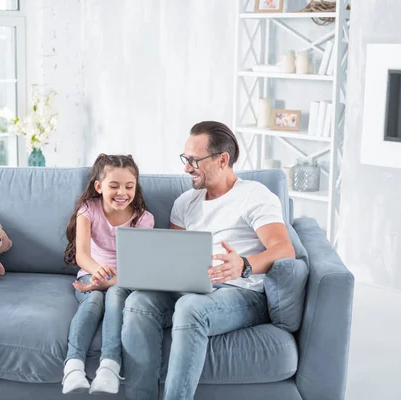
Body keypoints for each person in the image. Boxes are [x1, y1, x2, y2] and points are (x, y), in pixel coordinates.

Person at [121, 121, 296, 400]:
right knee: (138, 303)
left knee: (191, 308)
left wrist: (243, 264)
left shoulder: (254, 195)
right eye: (185, 159)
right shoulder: (185, 203)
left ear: (222, 159)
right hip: (192, 288)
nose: (186, 167)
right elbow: (172, 255)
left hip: (242, 293)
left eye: (194, 160)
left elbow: (284, 249)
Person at [62, 153, 154, 395]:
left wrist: (109, 281)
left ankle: (109, 368)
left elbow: (138, 268)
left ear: (136, 187)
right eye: (114, 186)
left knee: (114, 295)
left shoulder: (144, 219)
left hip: (123, 280)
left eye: (129, 186)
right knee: (92, 300)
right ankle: (73, 369)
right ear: (99, 186)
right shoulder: (88, 210)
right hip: (90, 274)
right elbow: (82, 255)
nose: (122, 192)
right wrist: (96, 273)